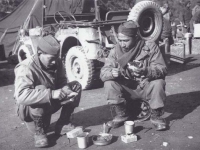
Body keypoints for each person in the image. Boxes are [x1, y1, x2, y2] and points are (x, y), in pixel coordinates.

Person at [14, 35, 82, 148]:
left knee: (76, 86)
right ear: (40, 53)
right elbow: (21, 96)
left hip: (49, 103)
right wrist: (51, 93)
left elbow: (61, 81)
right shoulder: (26, 67)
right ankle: (39, 131)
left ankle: (63, 123)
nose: (55, 62)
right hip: (31, 112)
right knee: (40, 90)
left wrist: (66, 89)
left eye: (56, 58)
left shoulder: (56, 61)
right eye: (51, 59)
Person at [100, 21, 167, 131]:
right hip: (127, 89)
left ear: (135, 37)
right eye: (120, 40)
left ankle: (156, 117)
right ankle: (121, 114)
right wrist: (112, 73)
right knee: (109, 83)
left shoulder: (150, 47)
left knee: (158, 82)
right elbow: (103, 73)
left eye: (126, 40)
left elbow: (162, 68)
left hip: (145, 86)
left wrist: (146, 71)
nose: (122, 44)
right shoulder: (115, 51)